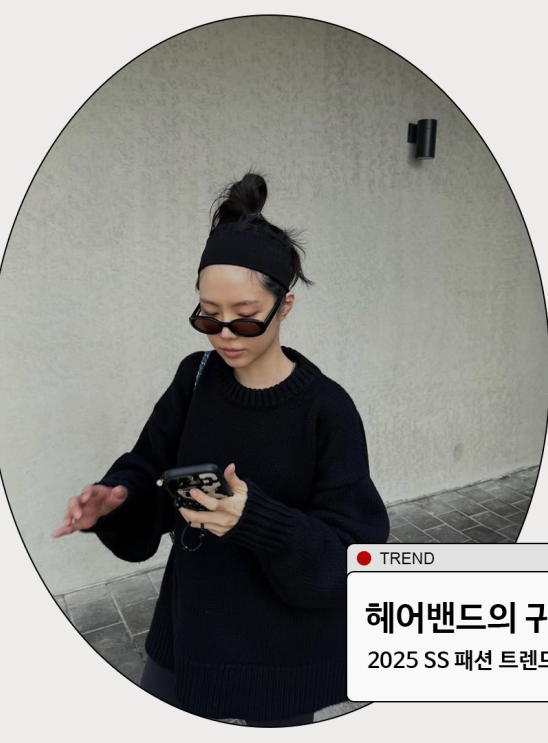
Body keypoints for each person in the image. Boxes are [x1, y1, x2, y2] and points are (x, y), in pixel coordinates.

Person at [52, 172, 390, 726]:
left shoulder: (327, 410)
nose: (225, 333)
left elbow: (352, 557)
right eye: (208, 315)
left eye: (246, 317)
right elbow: (150, 463)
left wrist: (254, 520)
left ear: (285, 306)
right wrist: (117, 498)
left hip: (282, 654)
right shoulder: (196, 376)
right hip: (190, 632)